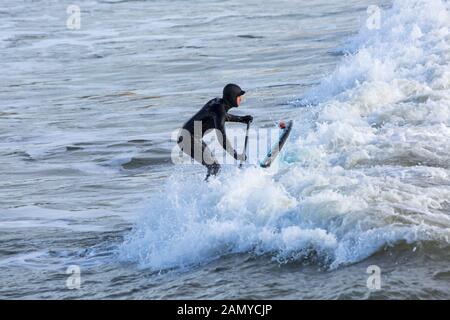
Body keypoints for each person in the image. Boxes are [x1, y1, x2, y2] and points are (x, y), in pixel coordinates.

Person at [177, 84, 253, 180]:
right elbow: (222, 138)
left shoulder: (218, 105)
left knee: (214, 166)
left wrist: (242, 119)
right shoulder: (219, 109)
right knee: (214, 166)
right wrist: (235, 155)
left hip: (190, 138)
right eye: (239, 96)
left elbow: (222, 117)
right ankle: (207, 191)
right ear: (232, 97)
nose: (241, 99)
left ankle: (207, 188)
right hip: (187, 139)